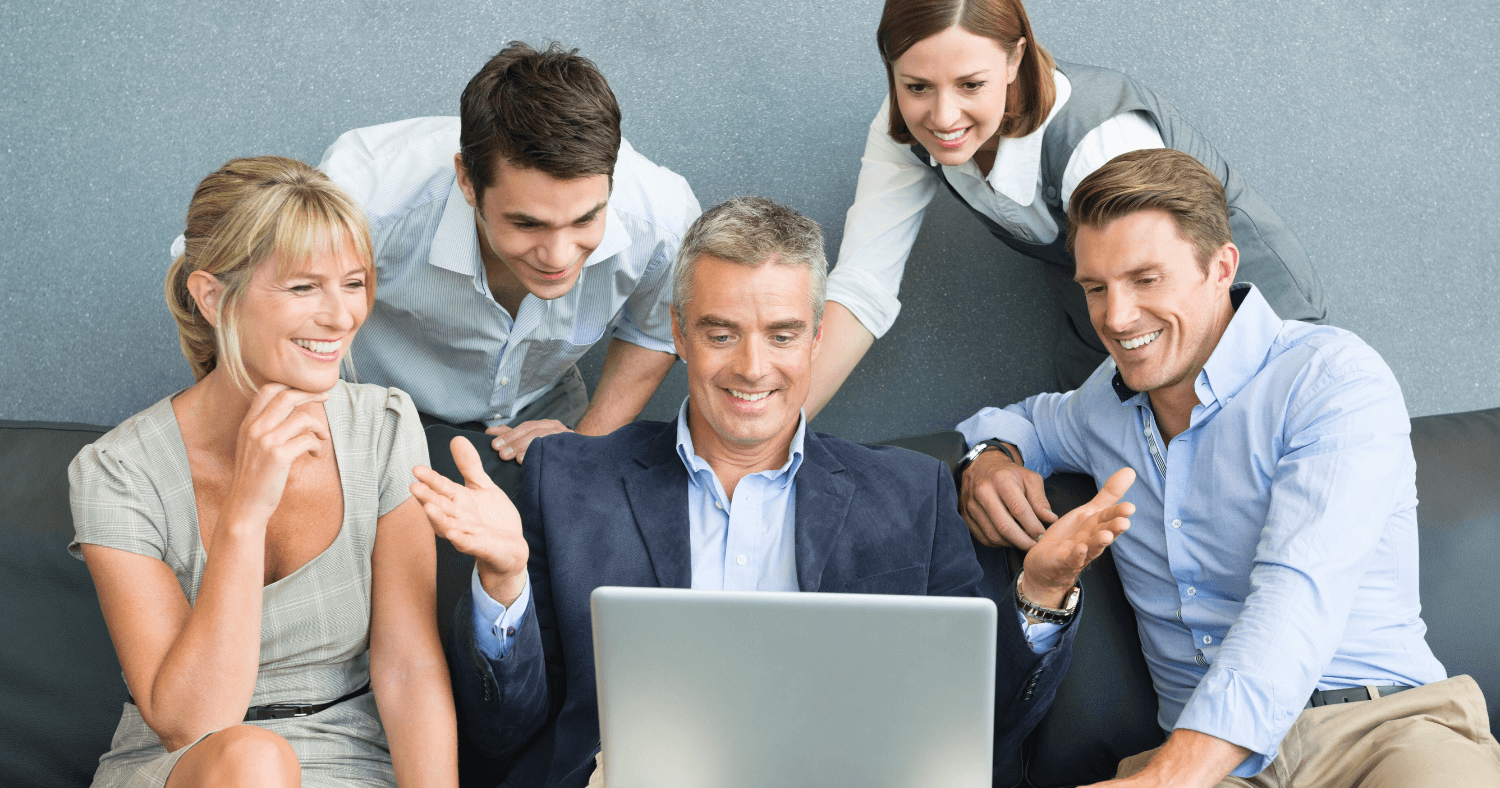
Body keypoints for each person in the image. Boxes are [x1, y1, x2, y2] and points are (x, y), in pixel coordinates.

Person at [410, 196, 1140, 788]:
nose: (753, 368)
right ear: (680, 333)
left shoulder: (910, 494)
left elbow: (979, 728)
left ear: (817, 338)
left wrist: (1039, 594)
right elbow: (504, 731)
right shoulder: (570, 478)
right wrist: (502, 583)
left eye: (782, 335)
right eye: (722, 334)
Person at [956, 148, 1500, 787]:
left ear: (1221, 267)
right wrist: (988, 460)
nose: (1116, 317)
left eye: (1145, 279)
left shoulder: (1330, 379)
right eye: (1096, 288)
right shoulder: (1102, 403)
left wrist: (1170, 778)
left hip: (1380, 732)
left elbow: (1296, 594)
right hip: (1211, 771)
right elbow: (1014, 422)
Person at [68, 157, 456, 788]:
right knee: (253, 761)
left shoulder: (384, 426)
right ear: (213, 295)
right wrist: (245, 514)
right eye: (305, 288)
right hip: (190, 765)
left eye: (353, 283)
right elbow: (191, 723)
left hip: (349, 760)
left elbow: (409, 666)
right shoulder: (116, 472)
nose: (341, 317)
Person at [808, 0, 1330, 417]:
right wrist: (775, 430)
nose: (943, 115)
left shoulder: (1099, 137)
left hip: (1217, 304)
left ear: (1015, 59)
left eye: (971, 84)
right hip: (1105, 312)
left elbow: (1168, 291)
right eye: (916, 85)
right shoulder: (909, 121)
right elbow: (863, 287)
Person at [317, 41, 701, 493]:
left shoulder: (663, 222)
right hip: (376, 405)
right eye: (526, 223)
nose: (558, 257)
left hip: (543, 404)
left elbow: (654, 329)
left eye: (584, 219)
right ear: (467, 180)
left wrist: (587, 441)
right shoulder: (361, 201)